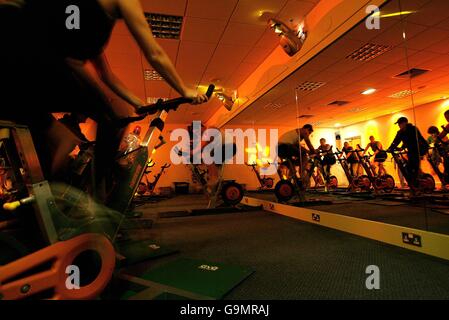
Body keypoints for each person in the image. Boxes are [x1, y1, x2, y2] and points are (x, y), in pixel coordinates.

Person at [0, 0, 208, 202]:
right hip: (22, 59)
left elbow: (106, 75)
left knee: (62, 137)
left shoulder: (88, 23)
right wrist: (184, 89)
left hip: (29, 71)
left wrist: (136, 102)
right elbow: (154, 53)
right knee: (111, 118)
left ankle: (48, 204)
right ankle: (95, 196)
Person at [387, 117, 429, 193]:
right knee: (409, 168)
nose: (399, 125)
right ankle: (414, 184)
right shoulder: (400, 132)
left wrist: (423, 149)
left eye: (400, 124)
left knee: (414, 167)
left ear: (405, 123)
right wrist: (390, 148)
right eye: (398, 124)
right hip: (410, 151)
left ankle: (418, 183)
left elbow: (417, 139)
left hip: (418, 149)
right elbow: (396, 141)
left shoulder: (413, 129)